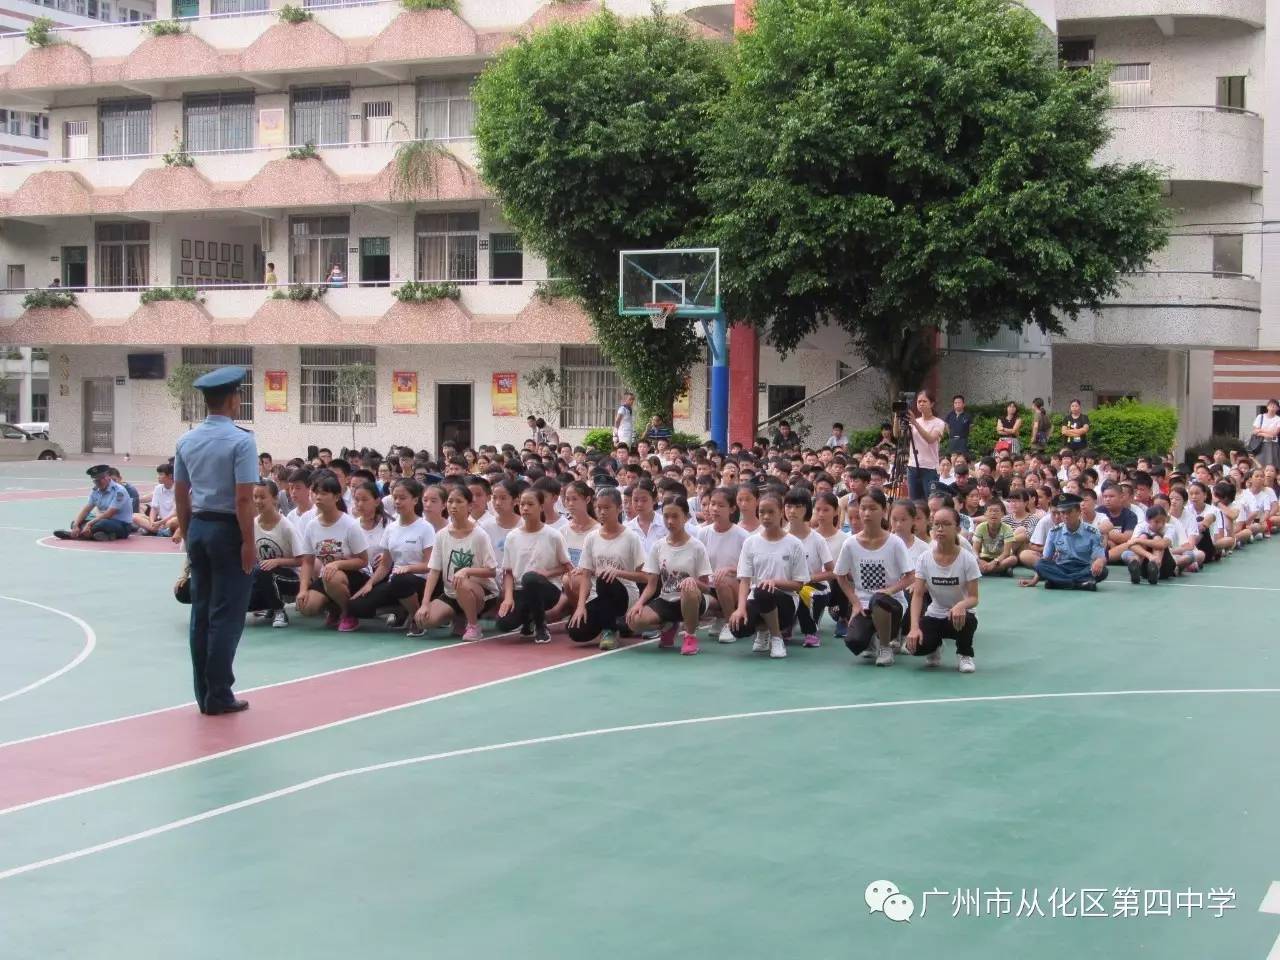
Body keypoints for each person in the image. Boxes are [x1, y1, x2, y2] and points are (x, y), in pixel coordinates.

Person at [172, 366, 259, 715]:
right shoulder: (242, 440)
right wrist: (248, 542)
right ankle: (220, 693)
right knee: (227, 614)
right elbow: (243, 499)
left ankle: (203, 692)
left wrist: (190, 532)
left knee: (202, 613)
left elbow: (181, 495)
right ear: (234, 399)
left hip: (199, 527)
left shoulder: (187, 440)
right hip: (228, 530)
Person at [835, 489, 915, 666]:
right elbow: (840, 576)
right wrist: (855, 602)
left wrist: (890, 590)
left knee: (879, 599)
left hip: (890, 603)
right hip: (863, 604)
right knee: (854, 643)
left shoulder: (895, 542)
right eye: (863, 508)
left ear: (883, 510)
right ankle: (871, 638)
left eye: (872, 508)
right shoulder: (850, 543)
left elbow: (911, 576)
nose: (866, 513)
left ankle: (885, 647)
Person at [728, 490, 810, 659]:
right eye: (762, 512)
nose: (766, 516)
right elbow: (744, 580)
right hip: (757, 597)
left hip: (785, 602)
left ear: (781, 512)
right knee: (738, 627)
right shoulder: (751, 542)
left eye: (771, 512)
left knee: (763, 591)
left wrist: (775, 582)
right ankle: (762, 630)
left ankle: (776, 637)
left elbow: (799, 584)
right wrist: (740, 608)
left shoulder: (794, 544)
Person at [626, 498, 713, 655]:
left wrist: (693, 582)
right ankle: (669, 625)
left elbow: (707, 588)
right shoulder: (658, 546)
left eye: (675, 516)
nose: (670, 521)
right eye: (666, 516)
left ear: (686, 517)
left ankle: (690, 636)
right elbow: (652, 584)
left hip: (694, 600)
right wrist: (639, 603)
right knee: (633, 621)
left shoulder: (697, 547)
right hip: (667, 600)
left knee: (688, 590)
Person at [904, 506, 980, 673]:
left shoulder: (967, 559)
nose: (940, 528)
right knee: (914, 647)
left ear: (957, 529)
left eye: (946, 524)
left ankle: (965, 654)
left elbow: (974, 598)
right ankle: (934, 646)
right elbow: (917, 595)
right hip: (935, 614)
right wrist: (914, 627)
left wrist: (961, 605)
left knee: (966, 620)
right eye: (936, 524)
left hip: (961, 616)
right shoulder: (925, 558)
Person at [568, 487, 646, 649]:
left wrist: (618, 572)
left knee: (604, 578)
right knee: (575, 631)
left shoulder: (631, 537)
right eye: (599, 507)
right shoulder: (591, 538)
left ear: (618, 509)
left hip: (624, 593)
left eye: (607, 508)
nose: (602, 512)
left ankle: (610, 629)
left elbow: (644, 576)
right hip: (599, 595)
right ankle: (620, 625)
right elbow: (586, 574)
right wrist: (581, 606)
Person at [495, 488, 571, 643]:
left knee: (530, 578)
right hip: (520, 590)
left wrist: (547, 573)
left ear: (541, 507)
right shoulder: (512, 537)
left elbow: (567, 566)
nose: (525, 508)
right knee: (504, 623)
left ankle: (541, 626)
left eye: (530, 504)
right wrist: (508, 598)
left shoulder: (553, 535)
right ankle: (529, 618)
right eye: (522, 504)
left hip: (547, 589)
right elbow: (508, 572)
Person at [1018, 493, 1107, 591]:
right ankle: (1079, 584)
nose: (1065, 516)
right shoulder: (1054, 532)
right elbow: (1046, 559)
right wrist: (1034, 581)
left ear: (1078, 512)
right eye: (1062, 513)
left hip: (1083, 568)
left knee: (1103, 571)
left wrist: (1099, 561)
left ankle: (1059, 582)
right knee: (1040, 564)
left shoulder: (1092, 532)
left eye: (1069, 512)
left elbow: (1100, 557)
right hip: (1061, 567)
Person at [248, 479, 300, 627]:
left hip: (291, 580)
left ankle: (279, 610)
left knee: (263, 569)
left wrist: (278, 561)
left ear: (275, 499)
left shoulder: (287, 527)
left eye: (263, 497)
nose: (258, 501)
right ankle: (268, 605)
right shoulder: (253, 524)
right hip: (264, 575)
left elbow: (302, 560)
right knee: (245, 603)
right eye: (255, 497)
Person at [54, 464, 135, 542]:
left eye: (100, 480)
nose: (98, 483)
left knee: (102, 524)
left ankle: (75, 535)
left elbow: (109, 514)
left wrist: (89, 524)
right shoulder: (96, 490)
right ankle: (102, 535)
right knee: (76, 522)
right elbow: (86, 509)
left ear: (107, 477)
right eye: (95, 481)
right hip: (102, 520)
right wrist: (76, 525)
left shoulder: (119, 491)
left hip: (122, 525)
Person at [894, 390, 945, 501]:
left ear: (931, 404)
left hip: (930, 468)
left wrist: (915, 424)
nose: (921, 403)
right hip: (912, 467)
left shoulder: (939, 423)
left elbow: (930, 439)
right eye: (919, 401)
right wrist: (897, 416)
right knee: (914, 502)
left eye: (924, 401)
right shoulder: (913, 421)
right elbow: (897, 434)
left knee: (931, 500)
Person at [1251, 398, 1280, 469]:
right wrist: (1265, 435)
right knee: (1259, 465)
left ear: (1278, 408)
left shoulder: (1278, 419)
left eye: (1275, 406)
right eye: (1271, 405)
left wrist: (1260, 430)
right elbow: (1254, 431)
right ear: (1267, 407)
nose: (1272, 407)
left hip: (1272, 444)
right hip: (1260, 444)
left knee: (1272, 466)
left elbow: (1274, 433)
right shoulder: (1260, 417)